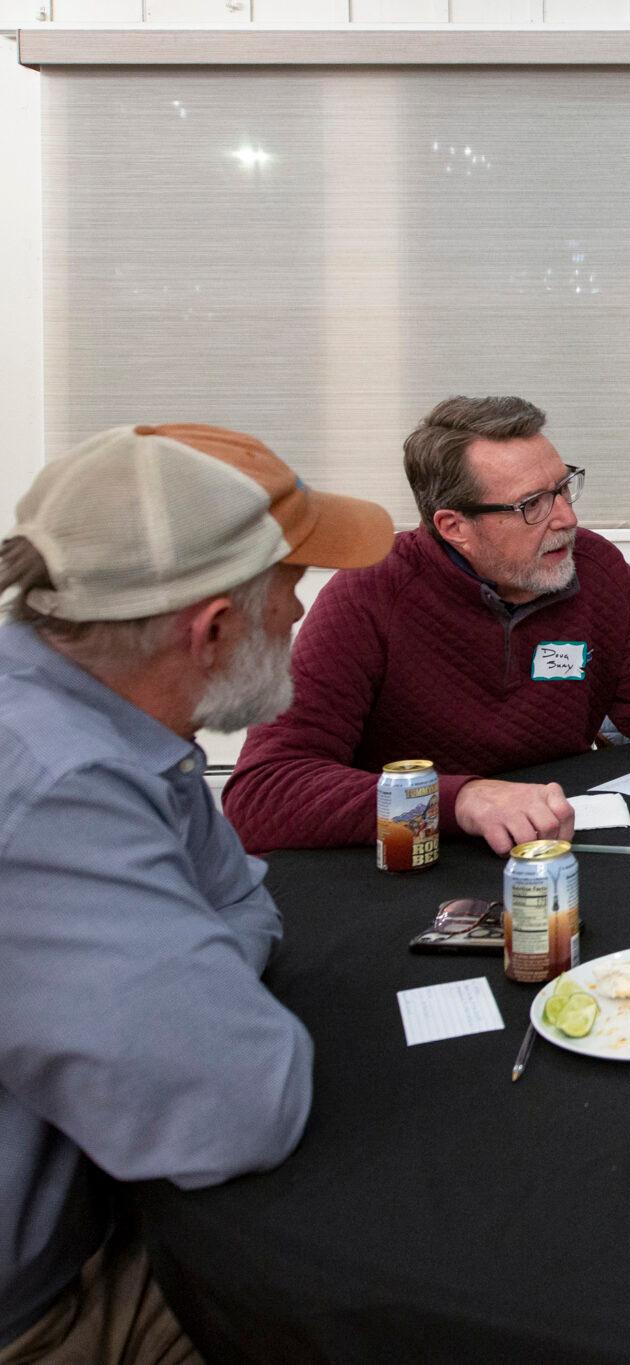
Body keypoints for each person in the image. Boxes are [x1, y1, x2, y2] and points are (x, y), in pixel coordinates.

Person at [0, 424, 395, 1362]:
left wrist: (196, 972)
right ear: (211, 627)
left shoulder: (105, 714)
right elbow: (242, 1104)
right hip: (49, 1306)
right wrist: (205, 984)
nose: (301, 610)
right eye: (288, 585)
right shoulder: (55, 787)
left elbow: (245, 900)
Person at [226, 396, 630, 854]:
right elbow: (265, 792)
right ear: (454, 525)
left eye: (563, 488)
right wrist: (462, 799)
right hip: (413, 864)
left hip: (555, 847)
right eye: (531, 504)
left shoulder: (593, 567)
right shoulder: (370, 595)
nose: (566, 517)